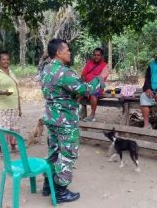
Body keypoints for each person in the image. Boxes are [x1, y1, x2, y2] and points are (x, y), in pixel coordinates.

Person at [40, 39, 108, 203]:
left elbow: (62, 91)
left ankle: (48, 185)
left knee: (54, 151)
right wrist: (100, 78)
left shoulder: (46, 69)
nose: (70, 52)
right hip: (65, 120)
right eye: (67, 50)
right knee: (68, 154)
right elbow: (86, 89)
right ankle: (61, 191)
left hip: (51, 117)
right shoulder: (64, 72)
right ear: (58, 53)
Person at [0, 51, 21, 155]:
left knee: (14, 127)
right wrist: (3, 93)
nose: (6, 61)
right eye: (3, 59)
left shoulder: (11, 72)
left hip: (13, 105)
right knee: (2, 127)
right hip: (1, 107)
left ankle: (13, 146)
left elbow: (15, 88)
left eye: (7, 59)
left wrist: (19, 107)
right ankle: (0, 150)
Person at [81, 48, 110, 122]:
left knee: (93, 93)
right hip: (87, 85)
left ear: (102, 56)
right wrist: (84, 84)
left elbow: (102, 80)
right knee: (78, 91)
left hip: (98, 86)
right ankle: (80, 111)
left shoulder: (105, 66)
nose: (96, 56)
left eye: (98, 55)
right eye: (94, 55)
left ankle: (92, 115)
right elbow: (83, 75)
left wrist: (92, 85)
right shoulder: (89, 63)